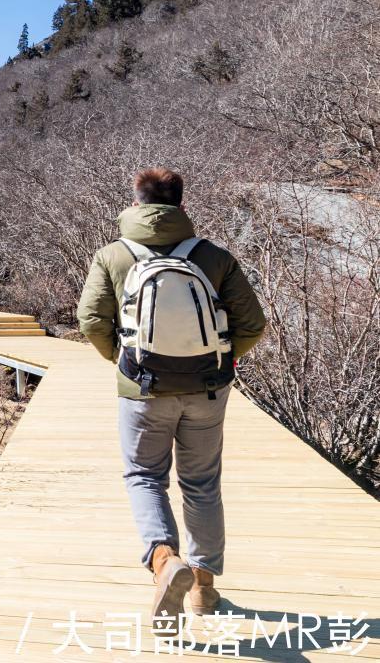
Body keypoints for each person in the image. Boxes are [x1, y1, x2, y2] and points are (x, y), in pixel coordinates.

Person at [77, 168, 266, 629]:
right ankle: (203, 588)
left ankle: (164, 561)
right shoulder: (214, 256)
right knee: (202, 485)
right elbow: (253, 323)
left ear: (137, 203)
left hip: (142, 388)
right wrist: (221, 360)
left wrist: (123, 361)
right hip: (207, 389)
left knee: (144, 476)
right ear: (181, 206)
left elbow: (90, 322)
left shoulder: (113, 256)